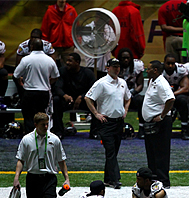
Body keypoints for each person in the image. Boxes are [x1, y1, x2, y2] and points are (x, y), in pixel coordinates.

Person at [13, 112, 70, 198]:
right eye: (43, 124)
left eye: (47, 124)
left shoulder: (54, 139)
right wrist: (16, 177)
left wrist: (66, 178)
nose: (46, 126)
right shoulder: (26, 140)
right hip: (32, 178)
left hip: (49, 178)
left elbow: (61, 160)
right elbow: (21, 159)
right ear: (35, 125)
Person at [85, 58, 131, 189]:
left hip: (118, 122)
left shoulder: (122, 82)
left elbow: (128, 98)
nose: (117, 69)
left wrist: (125, 110)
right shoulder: (101, 83)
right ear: (107, 68)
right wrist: (96, 114)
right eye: (114, 67)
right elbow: (88, 98)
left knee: (114, 152)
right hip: (106, 123)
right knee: (110, 151)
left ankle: (108, 179)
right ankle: (116, 179)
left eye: (118, 66)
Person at [13, 38, 60, 133]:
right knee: (42, 117)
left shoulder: (26, 60)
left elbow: (16, 75)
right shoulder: (49, 60)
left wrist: (21, 83)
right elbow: (55, 76)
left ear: (31, 47)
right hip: (44, 92)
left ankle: (30, 138)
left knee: (29, 117)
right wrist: (47, 82)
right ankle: (42, 136)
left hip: (29, 92)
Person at [142, 60, 175, 187]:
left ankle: (163, 181)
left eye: (149, 68)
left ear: (155, 70)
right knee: (151, 151)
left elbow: (171, 99)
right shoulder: (152, 81)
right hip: (151, 122)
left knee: (161, 152)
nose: (147, 70)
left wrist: (162, 116)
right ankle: (153, 178)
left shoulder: (162, 83)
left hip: (161, 123)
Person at [53, 53, 96, 138]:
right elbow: (57, 87)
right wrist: (64, 95)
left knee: (96, 102)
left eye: (70, 61)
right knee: (56, 100)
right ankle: (59, 131)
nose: (67, 63)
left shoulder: (88, 73)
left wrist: (82, 97)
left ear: (77, 62)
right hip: (67, 101)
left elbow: (94, 89)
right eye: (67, 60)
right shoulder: (62, 71)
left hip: (84, 101)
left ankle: (95, 132)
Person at [14, 28, 56, 108]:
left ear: (41, 39)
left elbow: (53, 62)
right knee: (15, 77)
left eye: (36, 38)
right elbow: (18, 63)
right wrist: (21, 77)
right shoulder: (23, 46)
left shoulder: (47, 45)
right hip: (27, 71)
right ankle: (21, 97)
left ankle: (50, 97)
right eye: (32, 37)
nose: (33, 39)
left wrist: (49, 78)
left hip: (43, 70)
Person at [117, 48, 145, 138]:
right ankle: (115, 128)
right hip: (118, 95)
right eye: (123, 58)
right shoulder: (115, 66)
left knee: (142, 100)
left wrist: (132, 93)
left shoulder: (137, 65)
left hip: (132, 94)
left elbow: (140, 84)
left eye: (128, 58)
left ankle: (142, 128)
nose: (126, 60)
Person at [162, 54, 189, 140]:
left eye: (172, 64)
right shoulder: (159, 70)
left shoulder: (181, 70)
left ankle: (184, 129)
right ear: (164, 63)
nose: (170, 66)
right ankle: (160, 128)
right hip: (162, 95)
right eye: (168, 63)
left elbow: (186, 88)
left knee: (183, 101)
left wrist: (172, 95)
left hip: (176, 94)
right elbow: (152, 86)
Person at [41, 0, 77, 67]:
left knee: (69, 67)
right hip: (53, 45)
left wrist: (77, 40)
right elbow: (45, 28)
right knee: (50, 66)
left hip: (68, 45)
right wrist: (45, 43)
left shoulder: (71, 10)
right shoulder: (50, 11)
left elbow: (76, 27)